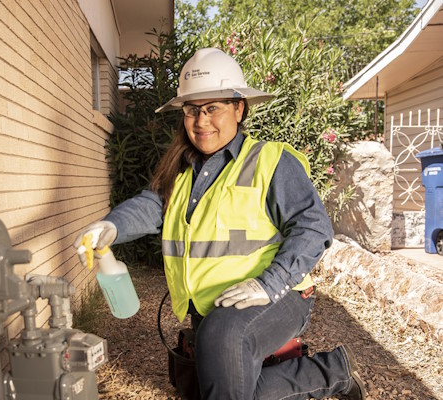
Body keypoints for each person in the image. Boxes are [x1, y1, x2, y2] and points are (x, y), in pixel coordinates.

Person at [74, 47, 366, 400]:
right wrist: (111, 226)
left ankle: (328, 371)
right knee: (233, 388)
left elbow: (314, 228)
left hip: (280, 296)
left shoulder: (272, 161)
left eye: (213, 108)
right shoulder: (181, 172)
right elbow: (151, 206)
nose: (201, 121)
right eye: (192, 110)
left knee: (222, 339)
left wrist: (267, 284)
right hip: (212, 305)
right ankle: (333, 371)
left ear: (239, 107)